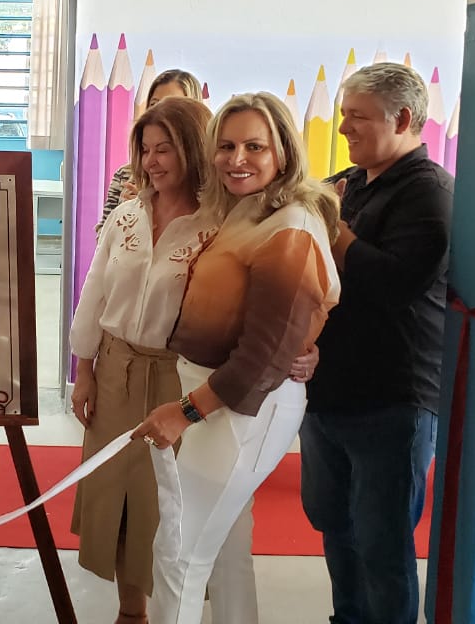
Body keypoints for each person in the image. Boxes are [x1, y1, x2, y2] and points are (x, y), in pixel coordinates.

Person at [133, 92, 342, 624]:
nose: (237, 158)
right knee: (222, 549)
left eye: (255, 146)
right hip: (220, 396)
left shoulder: (290, 227)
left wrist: (185, 412)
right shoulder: (248, 211)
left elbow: (264, 357)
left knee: (179, 554)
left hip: (242, 405)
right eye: (225, 146)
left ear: (283, 151)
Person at [299, 62, 452, 624]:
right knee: (334, 525)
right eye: (343, 115)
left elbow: (395, 284)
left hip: (392, 398)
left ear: (403, 119)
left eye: (357, 117)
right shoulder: (350, 181)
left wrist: (336, 232)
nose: (343, 128)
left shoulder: (430, 193)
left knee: (382, 542)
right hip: (328, 390)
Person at [70, 96, 219, 624]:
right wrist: (83, 370)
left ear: (193, 149)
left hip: (181, 378)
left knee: (169, 500)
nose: (152, 162)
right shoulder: (127, 215)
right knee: (116, 492)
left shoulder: (218, 223)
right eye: (146, 149)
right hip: (115, 370)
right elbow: (94, 291)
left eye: (165, 149)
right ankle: (130, 612)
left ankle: (173, 608)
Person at [97, 69, 202, 233]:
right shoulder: (126, 175)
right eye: (154, 104)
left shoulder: (207, 182)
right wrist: (129, 215)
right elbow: (103, 237)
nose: (161, 111)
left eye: (172, 104)